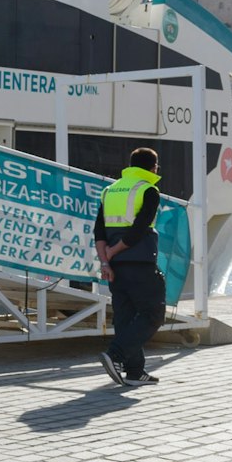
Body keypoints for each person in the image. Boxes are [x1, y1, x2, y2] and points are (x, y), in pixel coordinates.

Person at [94, 147, 165, 388]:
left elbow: (99, 231)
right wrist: (113, 252)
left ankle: (135, 371)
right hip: (140, 262)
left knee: (125, 316)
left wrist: (106, 261)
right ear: (152, 167)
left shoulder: (109, 190)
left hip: (116, 267)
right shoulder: (149, 190)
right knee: (152, 314)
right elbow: (138, 231)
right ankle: (115, 356)